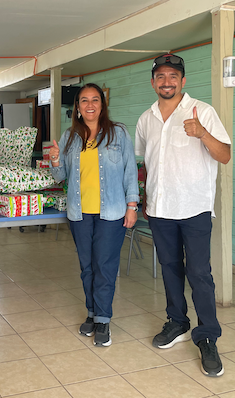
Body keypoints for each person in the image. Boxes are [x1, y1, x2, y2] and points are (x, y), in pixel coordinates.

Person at [135, 53, 231, 377]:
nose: (166, 81)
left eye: (172, 76)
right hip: (160, 209)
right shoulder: (146, 119)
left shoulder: (202, 111)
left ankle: (207, 338)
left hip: (194, 208)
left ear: (183, 81)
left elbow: (226, 155)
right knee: (170, 268)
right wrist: (141, 199)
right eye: (160, 76)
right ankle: (177, 321)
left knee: (200, 273)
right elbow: (144, 162)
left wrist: (203, 133)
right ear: (153, 82)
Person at [49, 83, 139, 347]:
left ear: (102, 104)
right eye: (84, 101)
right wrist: (55, 159)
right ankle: (91, 311)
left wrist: (132, 206)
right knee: (87, 267)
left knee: (105, 266)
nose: (90, 105)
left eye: (95, 100)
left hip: (111, 213)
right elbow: (60, 177)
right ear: (77, 107)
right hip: (80, 213)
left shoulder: (119, 133)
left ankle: (103, 319)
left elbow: (130, 172)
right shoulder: (69, 137)